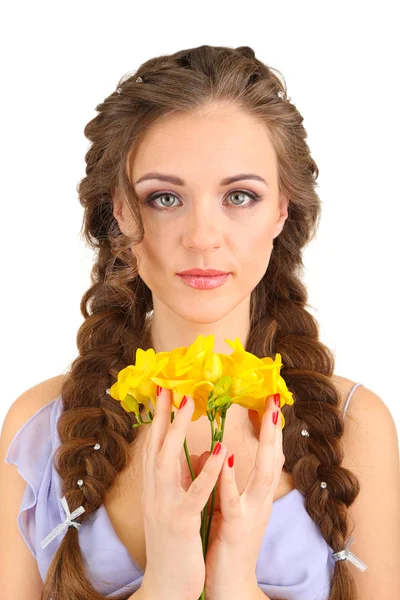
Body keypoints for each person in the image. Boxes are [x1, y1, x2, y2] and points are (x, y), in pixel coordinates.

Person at [1, 44, 399, 600]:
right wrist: (164, 585)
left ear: (282, 209)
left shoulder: (355, 427)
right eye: (165, 197)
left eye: (240, 196)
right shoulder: (40, 429)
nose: (202, 237)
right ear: (121, 210)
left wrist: (236, 583)